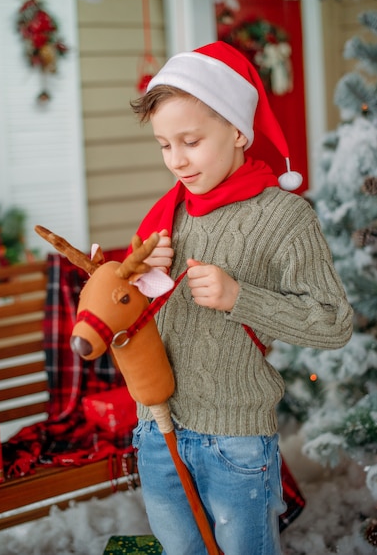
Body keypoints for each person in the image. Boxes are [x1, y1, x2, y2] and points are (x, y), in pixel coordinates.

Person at [129, 41, 353, 555]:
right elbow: (129, 317)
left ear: (236, 131)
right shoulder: (169, 213)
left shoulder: (284, 217)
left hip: (235, 438)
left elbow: (334, 322)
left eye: (190, 141)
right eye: (165, 145)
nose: (177, 161)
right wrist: (137, 280)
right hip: (156, 426)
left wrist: (239, 297)